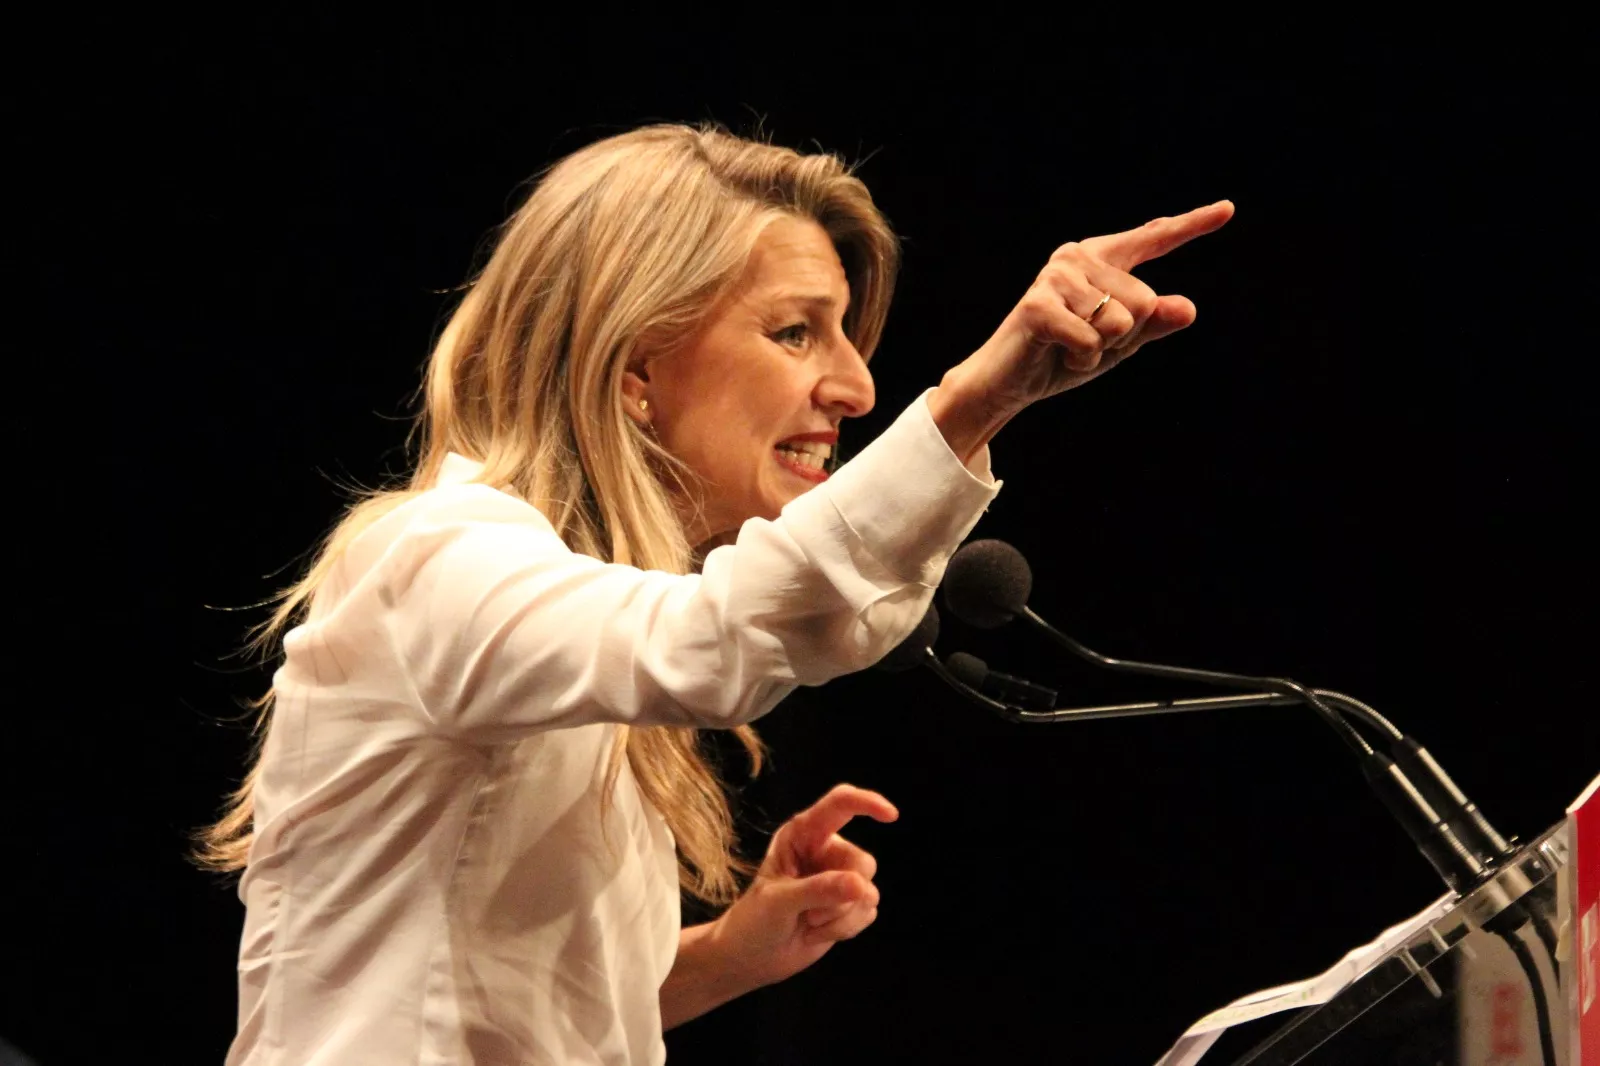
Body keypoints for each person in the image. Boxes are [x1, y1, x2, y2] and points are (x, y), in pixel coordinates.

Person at [197, 123, 1232, 1065]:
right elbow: (714, 643)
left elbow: (538, 1013)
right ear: (634, 365)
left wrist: (733, 952)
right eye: (795, 333)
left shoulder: (572, 613)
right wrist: (972, 401)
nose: (856, 387)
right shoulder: (441, 558)